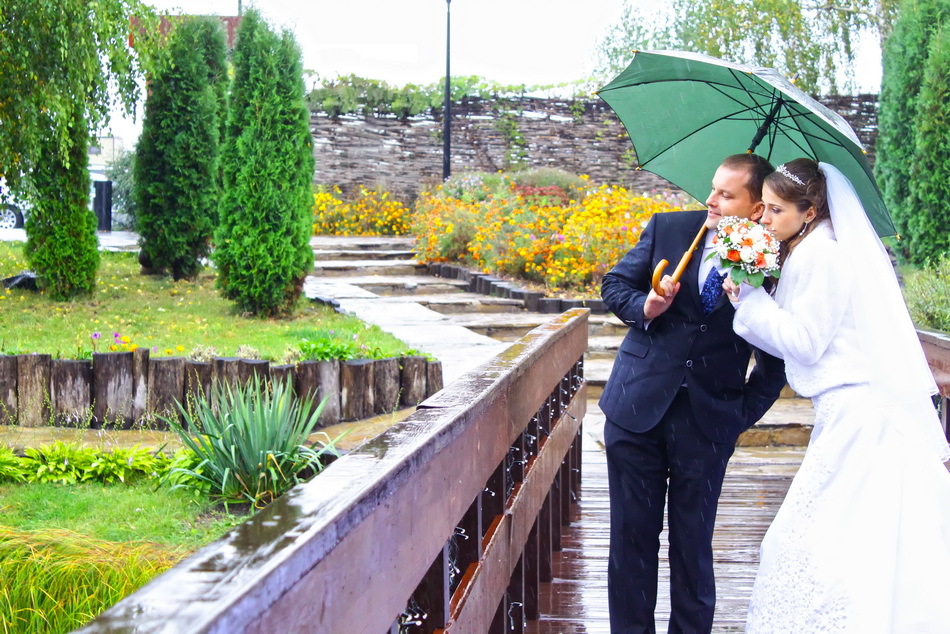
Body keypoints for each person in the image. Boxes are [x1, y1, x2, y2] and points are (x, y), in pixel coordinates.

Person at [724, 158, 950, 632]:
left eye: (776, 210)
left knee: (820, 539)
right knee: (844, 538)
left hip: (858, 419)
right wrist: (748, 297)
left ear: (809, 212)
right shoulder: (807, 250)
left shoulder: (822, 256)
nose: (766, 219)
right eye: (764, 208)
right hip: (842, 412)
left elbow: (806, 342)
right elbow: (800, 341)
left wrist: (754, 302)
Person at [599, 153, 787, 633]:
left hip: (707, 422)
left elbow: (775, 359)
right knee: (631, 542)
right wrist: (646, 305)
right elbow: (614, 284)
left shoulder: (773, 262)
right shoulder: (669, 227)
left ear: (755, 208)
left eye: (726, 194)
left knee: (693, 547)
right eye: (712, 188)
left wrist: (738, 414)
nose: (711, 199)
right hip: (636, 408)